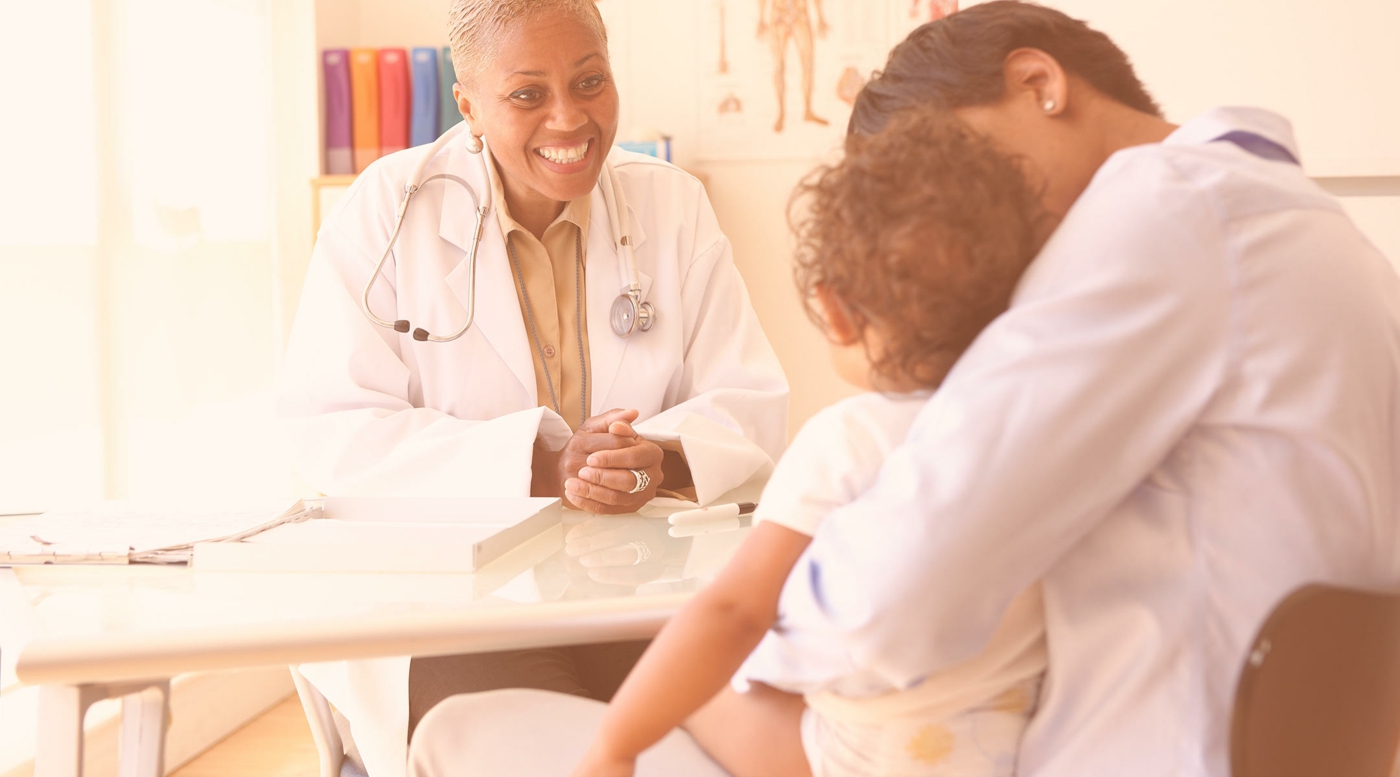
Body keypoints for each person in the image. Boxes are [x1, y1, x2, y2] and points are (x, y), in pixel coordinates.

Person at [405, 2, 1400, 775]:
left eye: (956, 172)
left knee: (463, 727)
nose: (972, 220)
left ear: (1038, 84)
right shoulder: (1294, 218)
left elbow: (888, 605)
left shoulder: (1154, 219)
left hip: (1121, 745)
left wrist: (726, 652)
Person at [277, 0, 788, 773]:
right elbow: (335, 429)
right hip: (458, 604)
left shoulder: (670, 203)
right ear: (468, 105)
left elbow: (747, 397)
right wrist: (544, 464)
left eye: (590, 82)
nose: (569, 118)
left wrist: (656, 459)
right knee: (549, 750)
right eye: (527, 94)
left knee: (736, 739)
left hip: (641, 583)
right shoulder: (386, 210)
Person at [571, 108, 1055, 777]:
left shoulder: (849, 439)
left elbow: (734, 612)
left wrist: (615, 747)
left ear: (832, 310)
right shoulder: (1044, 426)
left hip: (863, 758)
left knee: (684, 663)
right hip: (999, 745)